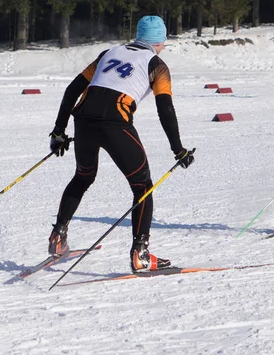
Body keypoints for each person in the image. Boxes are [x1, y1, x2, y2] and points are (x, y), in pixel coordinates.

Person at [47, 15, 194, 272]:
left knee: (83, 176)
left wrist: (58, 132)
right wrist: (178, 150)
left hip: (83, 119)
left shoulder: (109, 52)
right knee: (142, 187)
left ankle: (58, 237)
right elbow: (166, 110)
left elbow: (72, 90)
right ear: (159, 42)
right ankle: (141, 254)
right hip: (115, 124)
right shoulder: (157, 65)